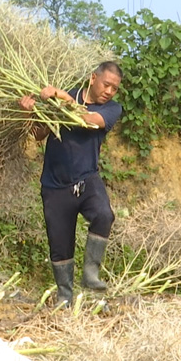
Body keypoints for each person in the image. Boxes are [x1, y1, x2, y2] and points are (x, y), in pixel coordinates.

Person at [18, 61, 123, 308]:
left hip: (87, 178)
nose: (109, 91)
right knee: (60, 245)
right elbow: (38, 134)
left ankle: (91, 276)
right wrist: (29, 111)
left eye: (114, 88)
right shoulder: (65, 96)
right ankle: (64, 297)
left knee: (104, 215)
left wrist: (62, 97)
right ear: (93, 78)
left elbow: (88, 120)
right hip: (54, 185)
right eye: (106, 85)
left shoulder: (111, 109)